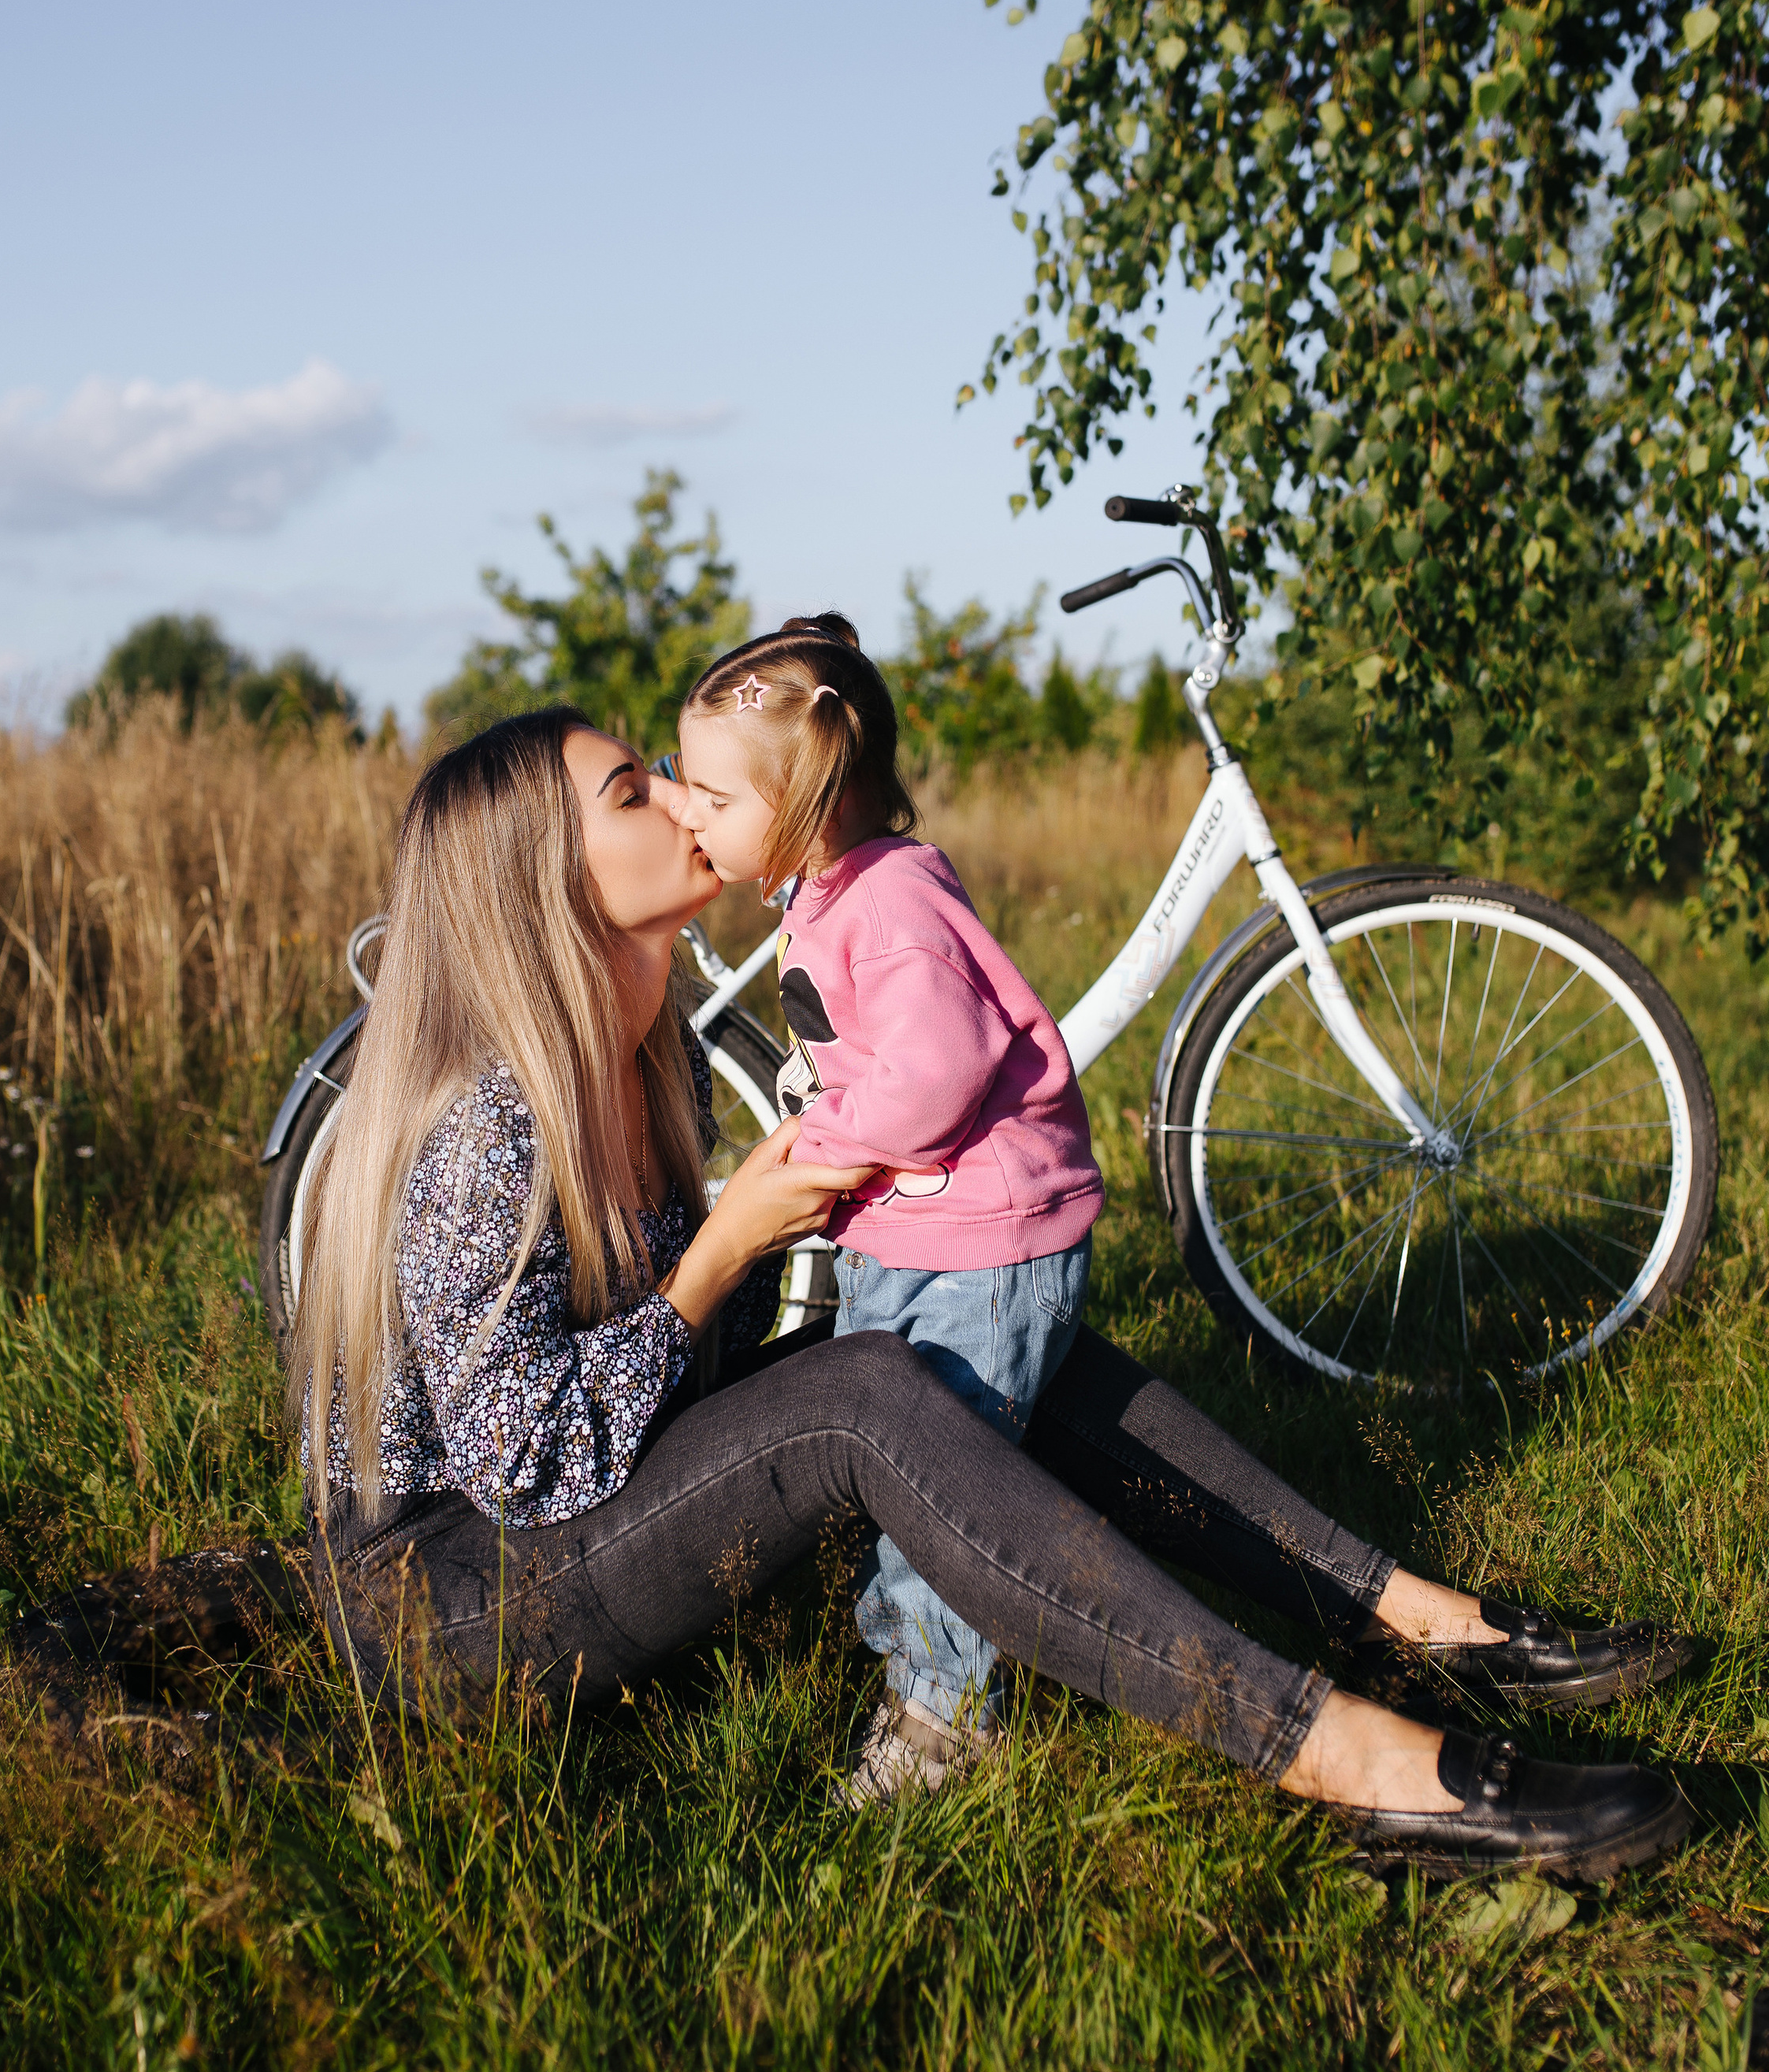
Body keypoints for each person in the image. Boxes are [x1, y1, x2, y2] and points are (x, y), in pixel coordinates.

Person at [291, 705, 1696, 1881]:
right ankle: (1347, 1757)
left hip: (564, 1512)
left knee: (984, 1324)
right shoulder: (487, 1121)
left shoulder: (633, 1056)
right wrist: (722, 1252)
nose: (677, 796)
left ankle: (1412, 1619)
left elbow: (650, 1366)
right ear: (545, 877)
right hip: (453, 1609)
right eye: (629, 790)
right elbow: (523, 1461)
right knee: (858, 1400)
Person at [675, 614, 1103, 1803]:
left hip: (980, 1244)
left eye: (711, 793)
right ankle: (935, 1670)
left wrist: (832, 1144)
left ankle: (949, 1722)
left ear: (808, 797)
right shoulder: (831, 891)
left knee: (942, 1483)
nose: (687, 812)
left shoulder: (891, 901)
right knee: (908, 1467)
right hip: (916, 1231)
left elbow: (937, 1071)